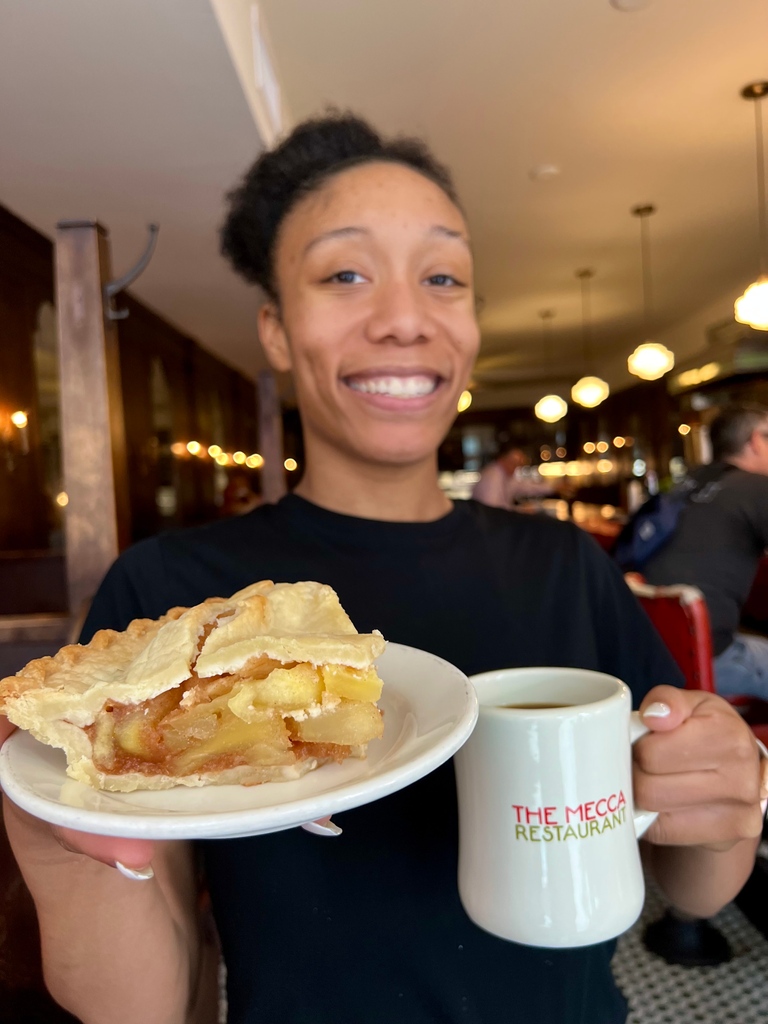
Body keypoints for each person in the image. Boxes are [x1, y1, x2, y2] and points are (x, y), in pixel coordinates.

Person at [1, 113, 765, 1024]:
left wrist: (724, 799)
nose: (405, 319)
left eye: (444, 278)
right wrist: (55, 843)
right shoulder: (170, 589)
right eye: (345, 275)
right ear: (277, 332)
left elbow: (696, 884)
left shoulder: (565, 566)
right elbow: (143, 1006)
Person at [644, 402, 768, 700]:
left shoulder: (684, 485)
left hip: (655, 655)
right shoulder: (758, 487)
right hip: (711, 660)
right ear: (755, 441)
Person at [471, 445, 558, 509]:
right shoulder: (492, 477)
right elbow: (493, 511)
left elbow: (525, 486)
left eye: (518, 465)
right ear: (503, 459)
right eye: (514, 464)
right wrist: (520, 511)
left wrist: (554, 487)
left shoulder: (506, 475)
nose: (515, 468)